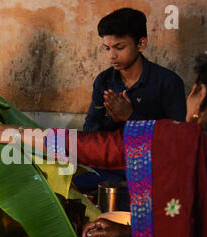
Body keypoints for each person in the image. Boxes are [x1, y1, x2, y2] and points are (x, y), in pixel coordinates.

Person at [0, 48, 207, 237]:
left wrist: (20, 133)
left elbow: (94, 148)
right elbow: (201, 230)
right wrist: (130, 232)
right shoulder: (105, 81)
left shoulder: (174, 138)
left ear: (201, 93)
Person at [74, 8, 187, 195]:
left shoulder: (167, 82)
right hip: (108, 167)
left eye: (119, 47)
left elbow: (177, 141)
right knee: (68, 182)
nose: (111, 56)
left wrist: (130, 116)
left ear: (141, 44)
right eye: (107, 48)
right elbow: (90, 131)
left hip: (149, 168)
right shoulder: (104, 81)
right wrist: (114, 120)